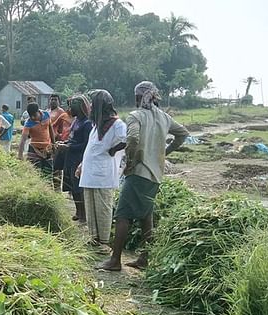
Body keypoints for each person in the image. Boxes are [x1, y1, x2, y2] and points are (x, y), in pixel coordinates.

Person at [97, 81, 189, 271]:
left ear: (138, 97)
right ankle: (145, 258)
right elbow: (183, 134)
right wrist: (164, 152)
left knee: (122, 215)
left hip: (139, 173)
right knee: (146, 217)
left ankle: (115, 261)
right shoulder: (165, 118)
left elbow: (132, 138)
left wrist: (131, 160)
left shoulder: (135, 116)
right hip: (155, 175)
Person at [79, 90, 127, 245]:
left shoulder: (117, 123)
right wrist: (81, 165)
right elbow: (90, 148)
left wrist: (113, 150)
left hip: (103, 172)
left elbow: (126, 140)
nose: (91, 106)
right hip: (90, 172)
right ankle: (93, 238)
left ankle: (104, 241)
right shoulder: (96, 125)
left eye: (93, 103)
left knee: (103, 207)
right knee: (90, 206)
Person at [62, 95, 93, 222]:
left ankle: (84, 214)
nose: (69, 109)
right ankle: (78, 211)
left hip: (79, 158)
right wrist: (64, 144)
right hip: (70, 156)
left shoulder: (87, 124)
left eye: (72, 107)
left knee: (78, 187)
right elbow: (72, 138)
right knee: (72, 186)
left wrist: (70, 146)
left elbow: (86, 144)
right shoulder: (75, 121)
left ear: (80, 108)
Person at [17, 102, 55, 170]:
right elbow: (23, 140)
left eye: (34, 115)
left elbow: (51, 130)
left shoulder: (46, 115)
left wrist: (54, 145)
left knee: (48, 172)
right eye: (30, 115)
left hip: (47, 148)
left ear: (38, 111)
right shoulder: (28, 123)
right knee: (36, 172)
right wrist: (20, 155)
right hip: (34, 149)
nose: (32, 117)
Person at [51, 99, 73, 191]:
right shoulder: (63, 116)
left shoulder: (81, 119)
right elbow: (52, 126)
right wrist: (57, 135)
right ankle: (57, 190)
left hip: (72, 146)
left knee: (71, 169)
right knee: (57, 168)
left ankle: (71, 191)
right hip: (62, 144)